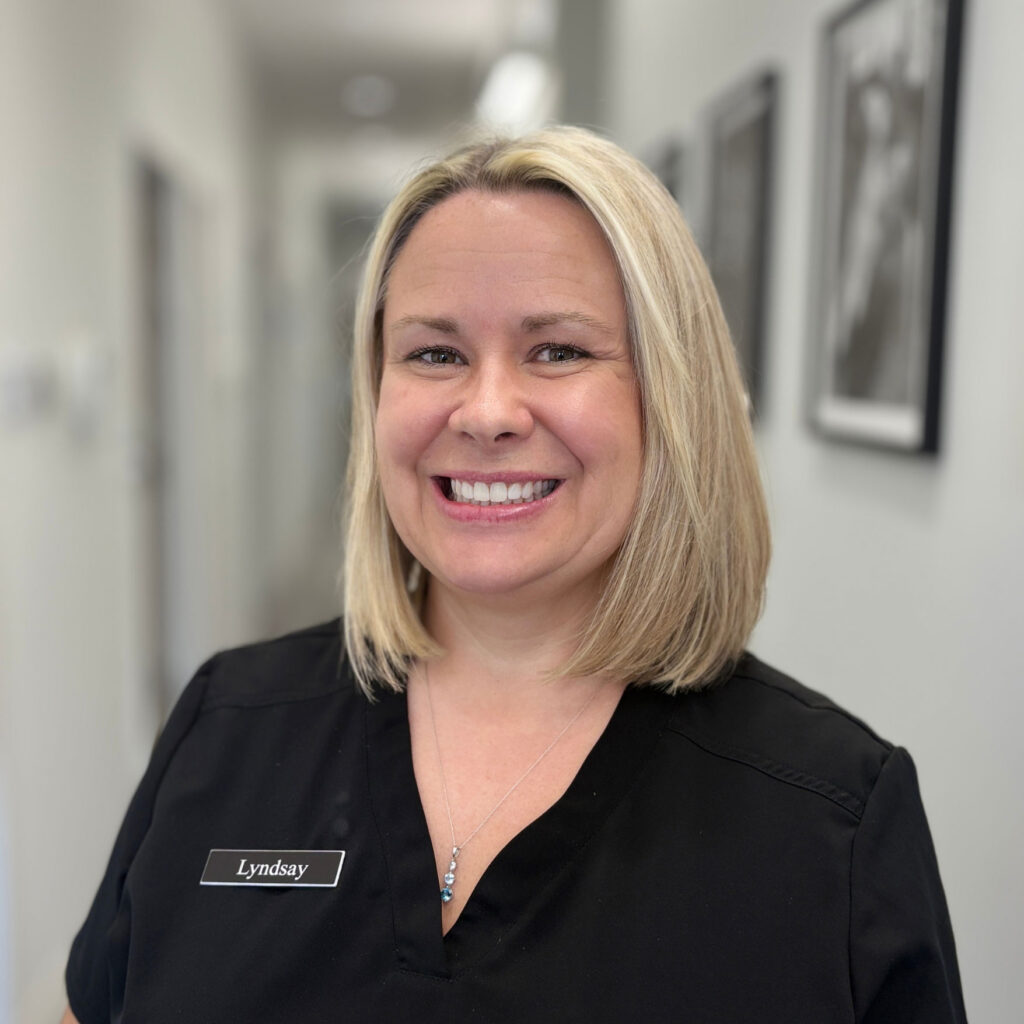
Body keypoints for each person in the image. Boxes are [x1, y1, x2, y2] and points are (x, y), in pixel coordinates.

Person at [62, 126, 966, 1023]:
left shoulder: (832, 817)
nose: (487, 412)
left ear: (670, 397)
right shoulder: (226, 724)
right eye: (435, 353)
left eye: (558, 350)